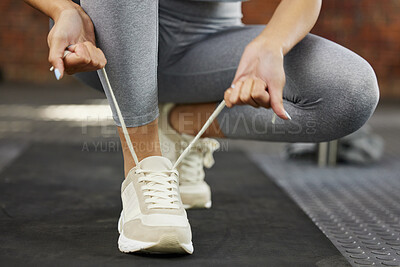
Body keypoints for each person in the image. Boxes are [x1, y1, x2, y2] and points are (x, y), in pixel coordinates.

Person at [24, 0, 379, 254]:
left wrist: (271, 43)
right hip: (106, 43)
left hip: (210, 45)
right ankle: (145, 165)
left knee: (350, 92)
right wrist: (62, 9)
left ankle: (179, 124)